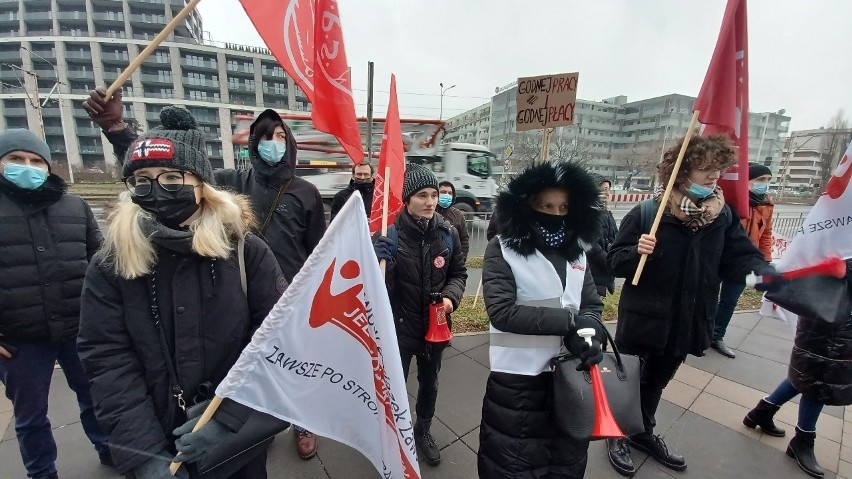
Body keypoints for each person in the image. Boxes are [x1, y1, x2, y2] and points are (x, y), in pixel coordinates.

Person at [84, 89, 326, 459]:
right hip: (225, 294)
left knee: (283, 369)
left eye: (281, 137)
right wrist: (119, 132)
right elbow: (164, 160)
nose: (273, 144)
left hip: (277, 291)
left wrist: (229, 419)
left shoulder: (305, 192)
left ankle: (300, 421)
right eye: (264, 137)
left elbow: (318, 249)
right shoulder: (237, 181)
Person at [605, 135, 773, 476]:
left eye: (719, 168)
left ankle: (642, 433)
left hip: (686, 320)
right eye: (705, 169)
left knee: (656, 382)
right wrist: (636, 251)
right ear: (681, 171)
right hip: (644, 319)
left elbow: (738, 257)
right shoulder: (648, 213)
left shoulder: (721, 216)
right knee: (630, 380)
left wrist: (764, 273)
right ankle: (617, 435)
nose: (714, 176)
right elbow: (614, 263)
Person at [477, 161, 606, 479]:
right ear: (527, 206)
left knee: (565, 463)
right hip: (518, 383)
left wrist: (590, 334)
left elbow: (590, 305)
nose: (556, 213)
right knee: (513, 465)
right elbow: (502, 312)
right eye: (546, 205)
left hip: (571, 377)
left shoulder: (578, 252)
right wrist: (569, 323)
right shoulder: (502, 250)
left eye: (563, 206)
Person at [0, 129, 109, 479]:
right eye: (16, 160)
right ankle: (41, 472)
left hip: (79, 329)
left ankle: (110, 449)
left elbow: (101, 263)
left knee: (96, 398)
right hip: (19, 339)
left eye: (36, 161)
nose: (27, 167)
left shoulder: (74, 206)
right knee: (30, 415)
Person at [373, 164, 467, 466]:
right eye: (422, 195)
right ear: (406, 199)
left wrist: (451, 298)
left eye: (434, 194)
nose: (430, 201)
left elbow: (459, 273)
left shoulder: (447, 232)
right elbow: (378, 290)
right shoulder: (391, 235)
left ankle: (422, 430)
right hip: (399, 331)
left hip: (435, 330)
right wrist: (380, 261)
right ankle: (392, 435)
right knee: (394, 386)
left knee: (430, 383)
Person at [742, 260, 851, 479]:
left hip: (835, 314)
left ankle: (763, 411)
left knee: (806, 373)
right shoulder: (840, 231)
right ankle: (803, 440)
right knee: (818, 378)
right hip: (828, 315)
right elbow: (827, 261)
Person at [711, 162, 775, 358]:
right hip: (719, 258)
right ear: (746, 181)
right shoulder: (732, 202)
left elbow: (766, 234)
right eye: (760, 180)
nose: (764, 184)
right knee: (708, 297)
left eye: (768, 180)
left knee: (729, 301)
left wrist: (764, 260)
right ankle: (698, 332)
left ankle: (717, 335)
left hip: (744, 263)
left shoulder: (766, 204)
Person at [587, 175, 618, 297]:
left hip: (605, 273)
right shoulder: (588, 213)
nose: (606, 193)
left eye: (608, 190)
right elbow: (592, 246)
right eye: (603, 190)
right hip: (594, 273)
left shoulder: (607, 212)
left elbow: (615, 237)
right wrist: (609, 260)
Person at [437, 180, 470, 259]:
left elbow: (464, 239)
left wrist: (461, 259)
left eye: (449, 193)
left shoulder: (458, 215)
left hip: (452, 261)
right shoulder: (430, 212)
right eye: (443, 192)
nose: (447, 195)